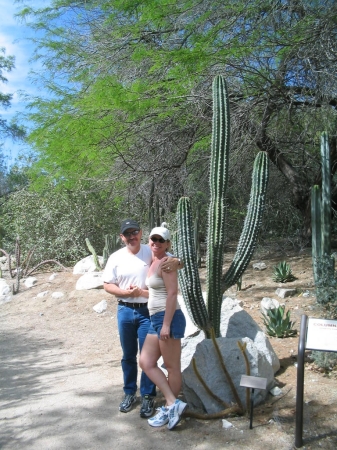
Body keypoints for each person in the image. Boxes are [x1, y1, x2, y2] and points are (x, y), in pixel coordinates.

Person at [103, 219, 181, 418]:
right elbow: (106, 284)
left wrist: (178, 262)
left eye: (134, 232)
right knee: (128, 355)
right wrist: (124, 292)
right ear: (122, 237)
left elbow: (173, 260)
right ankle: (129, 392)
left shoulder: (150, 249)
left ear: (140, 233)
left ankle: (148, 396)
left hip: (148, 311)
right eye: (127, 234)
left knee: (146, 356)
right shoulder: (115, 257)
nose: (131, 236)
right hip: (125, 310)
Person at [139, 226, 187, 430]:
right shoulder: (154, 260)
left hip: (167, 318)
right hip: (155, 319)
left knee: (171, 366)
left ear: (167, 244)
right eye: (153, 239)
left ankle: (171, 407)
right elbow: (157, 291)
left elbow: (172, 294)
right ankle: (172, 402)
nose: (156, 242)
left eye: (161, 240)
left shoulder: (167, 263)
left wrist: (166, 324)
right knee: (146, 362)